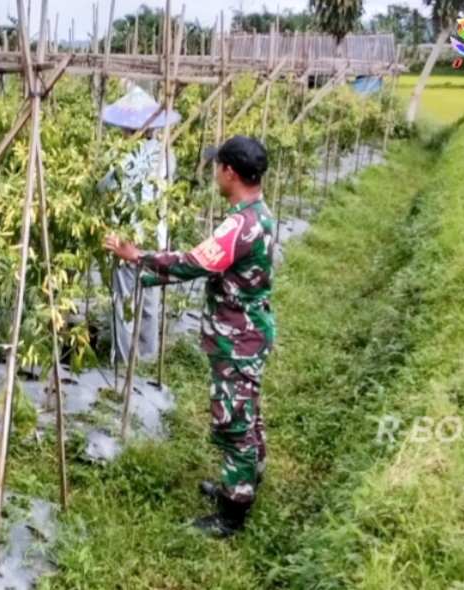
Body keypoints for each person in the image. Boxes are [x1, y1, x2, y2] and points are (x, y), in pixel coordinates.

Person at [102, 135, 275, 538]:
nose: (215, 171)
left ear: (229, 172)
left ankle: (233, 511)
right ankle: (244, 480)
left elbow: (196, 263)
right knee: (246, 411)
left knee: (234, 420)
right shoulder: (257, 213)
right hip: (246, 332)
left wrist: (137, 257)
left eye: (218, 165)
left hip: (239, 337)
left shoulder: (241, 226)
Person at [96, 85, 179, 365]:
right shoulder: (167, 155)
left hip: (126, 239)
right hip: (156, 237)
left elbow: (101, 188)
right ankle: (146, 355)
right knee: (149, 301)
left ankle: (124, 358)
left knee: (124, 301)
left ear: (127, 130)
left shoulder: (121, 158)